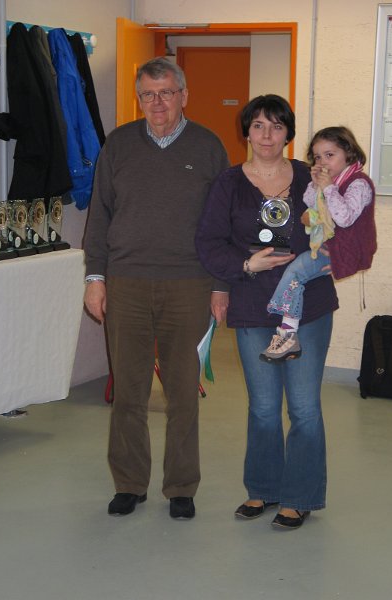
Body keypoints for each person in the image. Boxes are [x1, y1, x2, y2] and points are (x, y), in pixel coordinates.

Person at [83, 57, 228, 520]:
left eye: (166, 92)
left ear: (184, 95)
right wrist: (95, 278)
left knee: (183, 392)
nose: (158, 102)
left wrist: (220, 285)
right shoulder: (119, 144)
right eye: (148, 94)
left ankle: (181, 486)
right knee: (129, 391)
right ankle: (129, 483)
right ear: (139, 98)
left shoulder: (208, 146)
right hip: (126, 282)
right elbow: (100, 214)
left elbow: (223, 223)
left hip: (189, 284)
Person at [195, 94, 339, 530]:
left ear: (288, 133)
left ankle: (301, 496)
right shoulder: (228, 184)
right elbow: (209, 242)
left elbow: (343, 223)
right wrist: (245, 265)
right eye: (258, 125)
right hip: (253, 305)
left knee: (304, 407)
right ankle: (263, 489)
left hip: (308, 306)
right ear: (246, 131)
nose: (267, 135)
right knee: (261, 406)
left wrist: (331, 253)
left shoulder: (309, 176)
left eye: (276, 126)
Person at [260, 126, 376, 362]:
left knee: (295, 272)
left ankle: (287, 334)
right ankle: (287, 331)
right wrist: (315, 185)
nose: (323, 162)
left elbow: (344, 218)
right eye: (318, 157)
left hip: (346, 250)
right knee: (295, 274)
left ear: (349, 153)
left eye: (329, 155)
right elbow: (310, 203)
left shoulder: (359, 184)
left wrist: (328, 188)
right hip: (328, 245)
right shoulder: (332, 181)